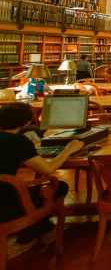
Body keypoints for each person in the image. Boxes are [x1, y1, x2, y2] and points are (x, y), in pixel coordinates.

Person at [0, 103, 83, 244]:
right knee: (59, 186)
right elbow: (48, 170)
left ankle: (35, 228)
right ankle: (35, 226)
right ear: (26, 122)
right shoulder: (18, 142)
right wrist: (68, 150)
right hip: (7, 206)